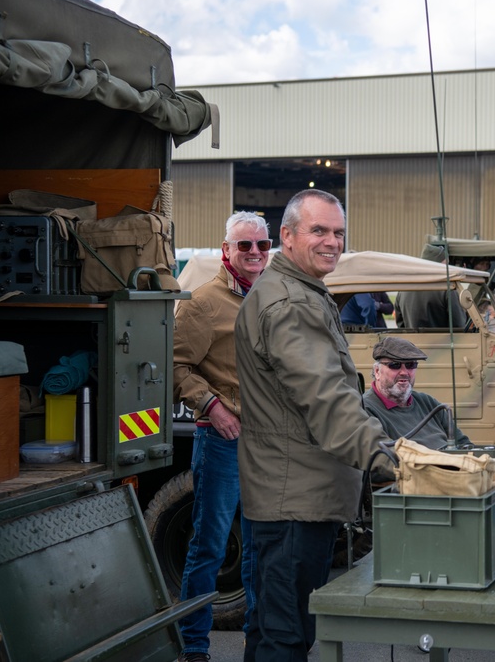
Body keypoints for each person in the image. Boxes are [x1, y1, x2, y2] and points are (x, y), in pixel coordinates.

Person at [234, 189, 393, 662]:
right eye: (318, 230)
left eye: (338, 232)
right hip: (294, 502)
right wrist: (395, 461)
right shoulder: (290, 304)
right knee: (285, 638)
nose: (331, 242)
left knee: (273, 629)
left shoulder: (300, 290)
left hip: (295, 496)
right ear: (286, 236)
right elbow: (328, 400)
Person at [173, 211, 269, 662]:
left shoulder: (271, 296)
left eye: (261, 245)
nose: (254, 253)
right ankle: (193, 647)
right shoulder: (202, 303)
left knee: (259, 547)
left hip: (267, 444)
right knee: (210, 544)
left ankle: (256, 641)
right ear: (226, 249)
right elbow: (175, 366)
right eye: (244, 245)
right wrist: (211, 406)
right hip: (223, 441)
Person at [362, 336, 471, 450]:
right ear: (377, 371)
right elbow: (385, 457)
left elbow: (464, 445)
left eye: (410, 365)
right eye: (395, 365)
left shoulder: (428, 403)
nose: (404, 372)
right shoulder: (366, 409)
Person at [395, 243, 468, 329]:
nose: (448, 268)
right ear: (438, 265)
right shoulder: (448, 289)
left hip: (411, 341)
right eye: (446, 264)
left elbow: (400, 324)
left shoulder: (403, 289)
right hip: (442, 342)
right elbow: (459, 325)